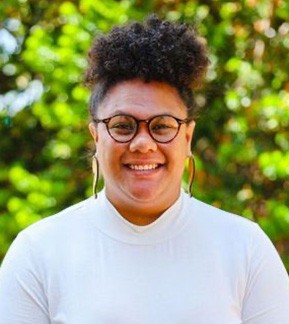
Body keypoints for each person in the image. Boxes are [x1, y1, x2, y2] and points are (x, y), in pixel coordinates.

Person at [0, 14, 289, 324]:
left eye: (162, 126)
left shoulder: (245, 248)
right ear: (96, 136)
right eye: (122, 126)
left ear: (187, 137)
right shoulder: (38, 252)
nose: (143, 143)